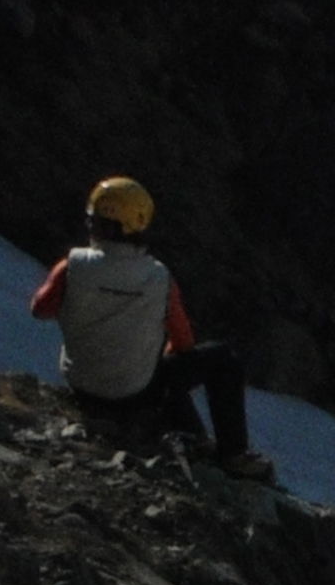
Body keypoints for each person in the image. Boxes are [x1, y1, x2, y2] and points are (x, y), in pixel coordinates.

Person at [28, 178, 274, 481]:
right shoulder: (158, 278)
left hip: (82, 384)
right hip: (134, 393)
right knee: (222, 359)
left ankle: (187, 433)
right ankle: (233, 454)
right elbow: (184, 343)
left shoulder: (71, 266)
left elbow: (41, 310)